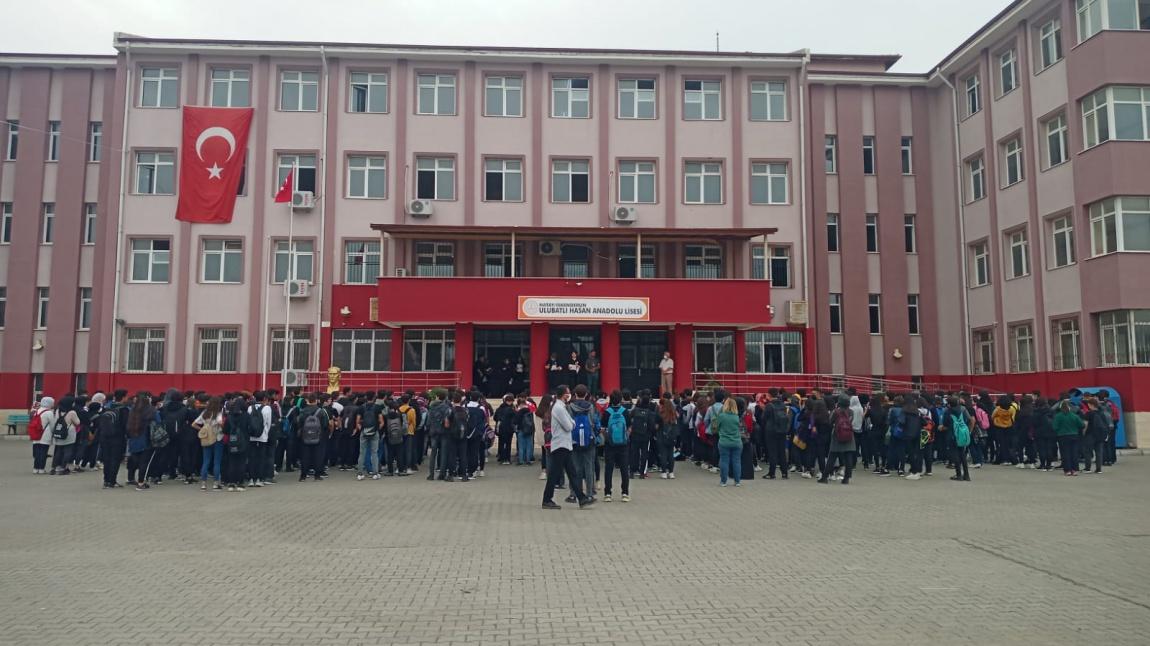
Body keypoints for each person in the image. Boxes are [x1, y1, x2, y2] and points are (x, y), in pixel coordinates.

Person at [542, 385, 595, 510]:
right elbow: (569, 425)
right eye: (567, 392)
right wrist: (572, 423)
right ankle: (547, 499)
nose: (569, 394)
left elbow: (571, 422)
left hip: (565, 444)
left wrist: (572, 423)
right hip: (560, 444)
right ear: (563, 394)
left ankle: (581, 498)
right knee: (555, 473)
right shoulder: (559, 408)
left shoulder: (561, 407)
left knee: (572, 473)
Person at [567, 385, 598, 503]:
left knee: (575, 467)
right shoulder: (590, 406)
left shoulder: (570, 407)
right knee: (589, 467)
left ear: (574, 394)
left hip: (574, 440)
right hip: (588, 439)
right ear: (586, 394)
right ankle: (589, 493)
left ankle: (574, 493)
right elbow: (592, 422)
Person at [601, 391, 631, 502]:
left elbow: (603, 429)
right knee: (624, 468)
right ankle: (625, 493)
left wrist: (607, 438)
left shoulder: (607, 412)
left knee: (609, 468)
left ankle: (608, 493)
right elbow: (629, 428)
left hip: (610, 445)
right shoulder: (625, 412)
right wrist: (625, 437)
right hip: (623, 445)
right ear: (620, 399)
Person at [821, 397, 856, 485]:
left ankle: (825, 477)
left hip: (837, 436)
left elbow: (830, 422)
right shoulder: (851, 412)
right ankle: (846, 478)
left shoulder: (836, 412)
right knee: (848, 457)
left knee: (832, 457)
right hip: (849, 435)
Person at [193, 396, 225, 491]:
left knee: (206, 460)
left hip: (206, 439)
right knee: (217, 461)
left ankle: (203, 484)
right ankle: (215, 483)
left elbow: (193, 424)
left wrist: (203, 429)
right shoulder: (218, 413)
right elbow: (220, 423)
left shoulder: (204, 413)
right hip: (217, 438)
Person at [296, 393, 330, 481]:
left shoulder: (303, 411)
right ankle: (317, 475)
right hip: (318, 437)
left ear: (307, 400)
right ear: (316, 400)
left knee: (305, 456)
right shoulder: (321, 411)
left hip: (305, 436)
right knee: (318, 456)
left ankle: (303, 476)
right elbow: (325, 424)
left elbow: (298, 423)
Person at [939, 396, 974, 482]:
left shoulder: (947, 412)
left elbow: (945, 425)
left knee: (955, 455)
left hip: (952, 435)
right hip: (962, 434)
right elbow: (970, 420)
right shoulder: (963, 409)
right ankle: (966, 475)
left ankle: (959, 474)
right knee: (962, 454)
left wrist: (940, 427)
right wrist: (968, 431)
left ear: (949, 404)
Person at [125, 394, 155, 490]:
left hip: (133, 439)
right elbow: (158, 422)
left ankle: (130, 478)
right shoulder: (151, 411)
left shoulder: (132, 412)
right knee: (144, 462)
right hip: (146, 439)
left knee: (134, 460)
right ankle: (141, 482)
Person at [714, 397, 743, 487]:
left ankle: (723, 481)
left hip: (724, 441)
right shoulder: (736, 417)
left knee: (724, 461)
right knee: (737, 461)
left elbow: (716, 427)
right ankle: (737, 481)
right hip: (737, 441)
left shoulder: (722, 416)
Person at [1053, 399, 1085, 476]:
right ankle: (1075, 470)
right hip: (1074, 436)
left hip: (1062, 437)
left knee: (1065, 454)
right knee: (1074, 453)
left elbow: (1055, 427)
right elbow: (1082, 425)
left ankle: (1067, 470)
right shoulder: (1074, 415)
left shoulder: (1058, 416)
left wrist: (1058, 432)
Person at [1082, 397, 1108, 475]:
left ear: (1091, 405)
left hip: (1090, 435)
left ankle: (1088, 468)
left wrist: (1083, 433)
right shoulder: (1101, 413)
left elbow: (1085, 425)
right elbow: (1105, 424)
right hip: (1100, 435)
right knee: (1099, 452)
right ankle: (1099, 469)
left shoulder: (1088, 413)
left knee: (1088, 452)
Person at [656, 394, 678, 479]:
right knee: (671, 455)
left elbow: (656, 427)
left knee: (663, 454)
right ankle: (671, 472)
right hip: (672, 437)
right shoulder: (674, 415)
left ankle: (664, 472)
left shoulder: (660, 415)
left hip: (662, 436)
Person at [31, 397, 55, 474]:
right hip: (45, 435)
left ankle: (35, 469)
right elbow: (52, 425)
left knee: (37, 453)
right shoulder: (49, 412)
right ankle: (41, 469)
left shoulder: (37, 411)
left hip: (36, 434)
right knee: (43, 453)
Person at [494, 394, 516, 465]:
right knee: (508, 444)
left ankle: (501, 458)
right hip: (509, 428)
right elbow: (515, 418)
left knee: (501, 443)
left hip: (500, 428)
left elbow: (495, 418)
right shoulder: (511, 410)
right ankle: (507, 458)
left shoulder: (499, 408)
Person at [514, 397, 536, 466]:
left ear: (520, 404)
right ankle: (528, 460)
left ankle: (521, 460)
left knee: (521, 446)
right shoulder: (530, 410)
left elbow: (515, 421)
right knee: (529, 445)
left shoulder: (519, 412)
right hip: (529, 429)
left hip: (521, 429)